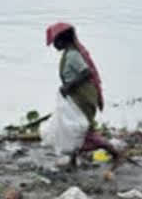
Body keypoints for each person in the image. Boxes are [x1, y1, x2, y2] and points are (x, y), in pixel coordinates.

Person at [46, 22, 122, 167]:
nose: (54, 45)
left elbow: (86, 73)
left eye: (55, 41)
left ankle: (114, 153)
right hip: (77, 96)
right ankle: (73, 160)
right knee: (76, 127)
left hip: (83, 97)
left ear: (63, 40)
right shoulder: (69, 53)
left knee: (82, 129)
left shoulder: (73, 55)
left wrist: (68, 86)